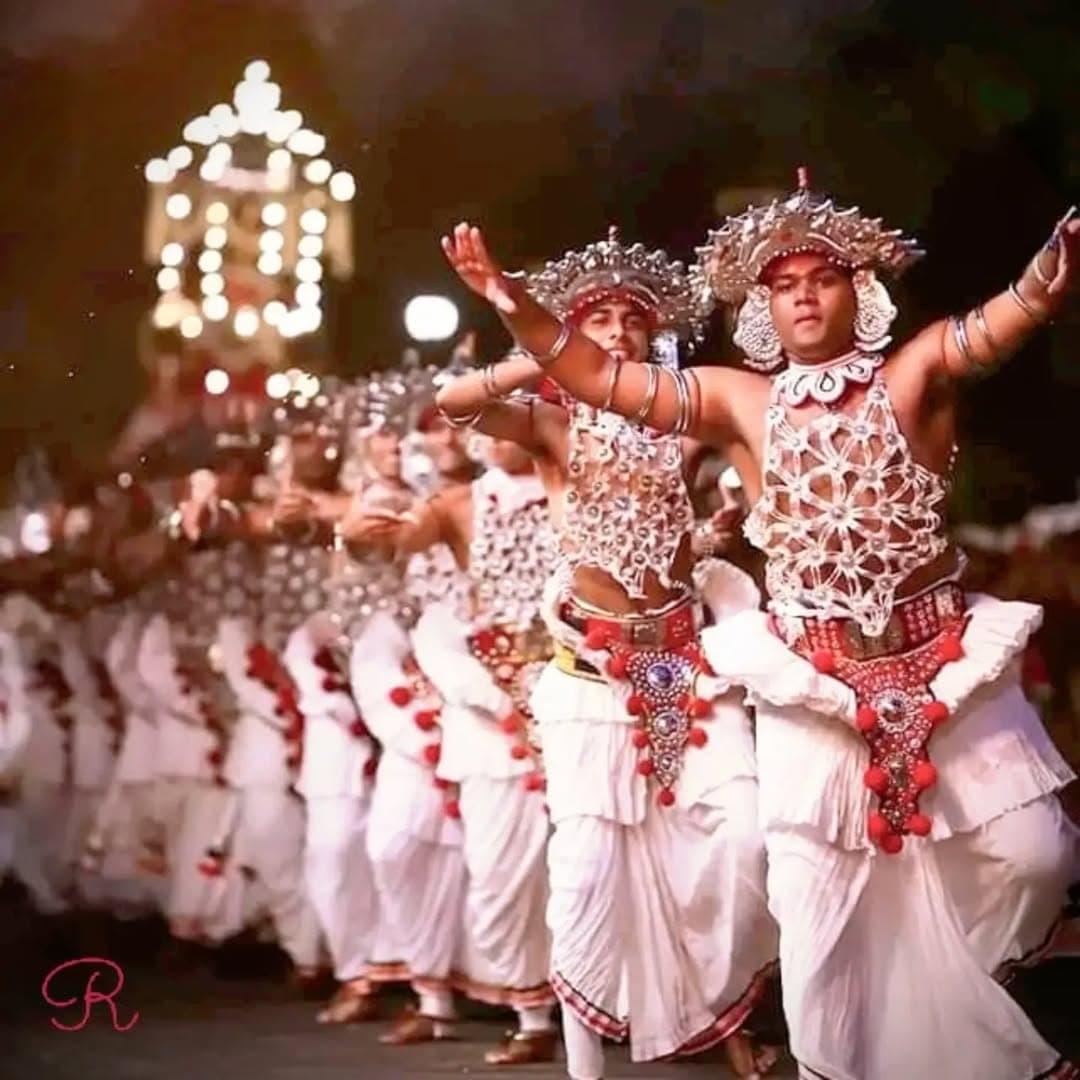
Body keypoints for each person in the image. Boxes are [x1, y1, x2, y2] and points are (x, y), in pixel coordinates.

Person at [438, 176, 1080, 1079]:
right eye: (782, 285)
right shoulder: (735, 401)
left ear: (861, 293)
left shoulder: (916, 366)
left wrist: (1047, 276)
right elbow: (592, 379)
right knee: (808, 912)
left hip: (942, 667)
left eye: (823, 277)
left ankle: (951, 993)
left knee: (1035, 856)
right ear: (762, 310)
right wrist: (513, 302)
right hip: (806, 685)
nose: (804, 295)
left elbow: (1003, 321)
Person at [436, 228, 778, 1080]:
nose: (618, 330)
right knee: (586, 877)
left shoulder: (685, 426)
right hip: (587, 679)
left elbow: (746, 461)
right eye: (599, 318)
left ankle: (721, 1011)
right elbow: (458, 404)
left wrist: (719, 528)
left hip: (681, 671)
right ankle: (587, 1066)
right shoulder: (552, 426)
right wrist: (537, 344)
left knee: (738, 847)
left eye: (632, 317)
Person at [347, 432, 559, 1064]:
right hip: (487, 719)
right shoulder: (453, 505)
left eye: (509, 419)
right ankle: (512, 1002)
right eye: (483, 423)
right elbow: (383, 544)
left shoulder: (571, 488)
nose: (494, 434)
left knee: (581, 872)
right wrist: (354, 534)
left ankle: (554, 1018)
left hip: (572, 694)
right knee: (496, 874)